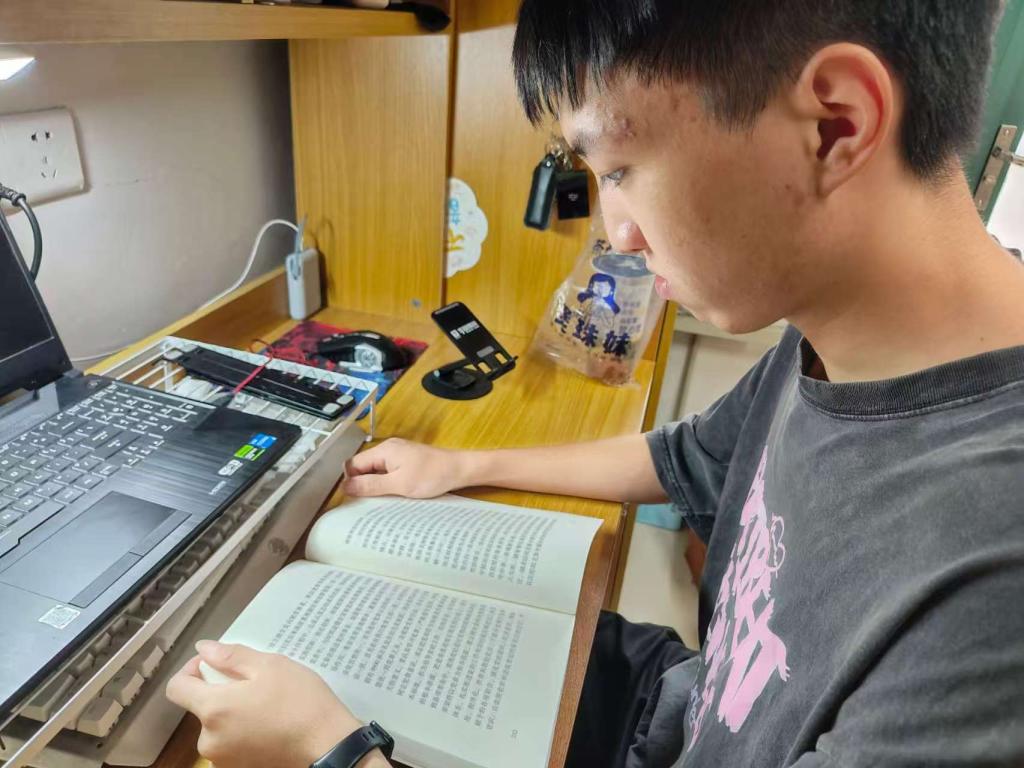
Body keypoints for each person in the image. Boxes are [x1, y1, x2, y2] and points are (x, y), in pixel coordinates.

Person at [166, 1, 1024, 766]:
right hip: (678, 710)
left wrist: (331, 754)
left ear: (834, 124)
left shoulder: (990, 588)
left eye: (616, 168)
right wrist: (463, 468)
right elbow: (682, 457)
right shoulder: (837, 337)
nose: (617, 233)